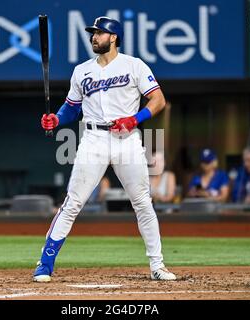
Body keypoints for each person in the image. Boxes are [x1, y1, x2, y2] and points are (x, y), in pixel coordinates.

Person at [34, 17, 176, 282]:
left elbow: (158, 100)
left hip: (127, 138)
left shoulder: (134, 65)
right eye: (93, 33)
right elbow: (72, 108)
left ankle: (158, 266)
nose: (93, 37)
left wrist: (134, 119)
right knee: (73, 202)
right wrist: (57, 118)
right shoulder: (81, 71)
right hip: (93, 138)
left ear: (113, 37)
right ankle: (45, 263)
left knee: (143, 202)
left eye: (99, 33)